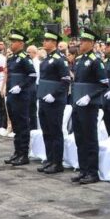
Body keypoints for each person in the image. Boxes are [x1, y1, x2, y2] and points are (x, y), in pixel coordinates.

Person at [69, 27, 109, 184]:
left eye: (85, 41)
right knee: (80, 138)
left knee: (90, 139)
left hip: (89, 106)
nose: (81, 43)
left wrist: (89, 96)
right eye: (81, 40)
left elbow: (104, 85)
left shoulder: (96, 61)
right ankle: (83, 169)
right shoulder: (79, 60)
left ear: (92, 43)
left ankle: (92, 172)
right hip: (78, 104)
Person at [37, 31, 71, 175]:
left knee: (55, 131)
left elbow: (65, 80)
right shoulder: (46, 59)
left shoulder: (59, 59)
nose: (44, 42)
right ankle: (50, 159)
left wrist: (54, 95)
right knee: (46, 131)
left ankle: (57, 162)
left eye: (47, 40)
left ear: (54, 42)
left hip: (55, 101)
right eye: (44, 40)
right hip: (44, 99)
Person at [4, 32, 37, 166]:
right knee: (16, 126)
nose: (11, 44)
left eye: (14, 41)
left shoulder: (25, 58)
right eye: (11, 41)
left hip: (22, 97)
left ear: (21, 43)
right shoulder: (12, 58)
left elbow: (32, 75)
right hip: (12, 96)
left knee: (23, 125)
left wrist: (21, 87)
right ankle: (17, 152)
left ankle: (23, 154)